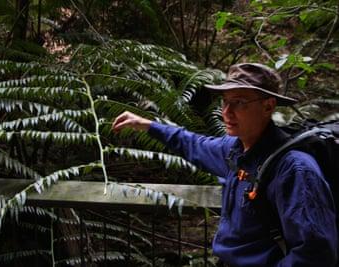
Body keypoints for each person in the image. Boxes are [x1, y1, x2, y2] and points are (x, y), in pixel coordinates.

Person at [111, 63, 337, 266]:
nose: (226, 112)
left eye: (239, 102)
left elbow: (316, 254)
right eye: (225, 102)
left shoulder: (294, 169)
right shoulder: (233, 150)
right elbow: (193, 143)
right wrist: (149, 125)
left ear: (268, 106)